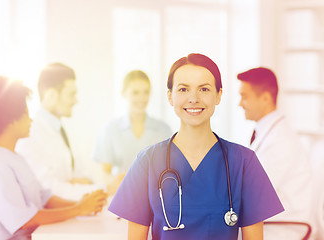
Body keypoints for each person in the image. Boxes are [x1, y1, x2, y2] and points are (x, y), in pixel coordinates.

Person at [109, 53, 284, 240]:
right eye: (183, 89)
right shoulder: (147, 162)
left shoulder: (244, 162)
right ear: (170, 97)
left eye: (204, 89)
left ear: (218, 95)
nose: (193, 98)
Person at [0, 76, 107, 240]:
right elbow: (23, 220)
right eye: (26, 114)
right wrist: (77, 210)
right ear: (12, 121)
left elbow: (44, 198)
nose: (31, 120)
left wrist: (82, 205)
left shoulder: (15, 158)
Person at [16, 63, 119, 200]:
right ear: (51, 95)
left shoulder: (61, 130)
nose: (76, 101)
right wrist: (106, 189)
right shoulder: (30, 135)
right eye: (71, 94)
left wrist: (81, 182)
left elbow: (82, 175)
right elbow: (47, 190)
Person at [237, 67, 314, 239]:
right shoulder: (268, 132)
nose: (240, 103)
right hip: (271, 222)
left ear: (265, 98)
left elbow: (252, 192)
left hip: (284, 228)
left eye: (244, 96)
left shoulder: (280, 141)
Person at [92, 70, 172, 175]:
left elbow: (170, 169)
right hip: (121, 190)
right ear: (123, 93)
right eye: (135, 92)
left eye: (146, 92)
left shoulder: (163, 130)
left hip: (154, 190)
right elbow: (104, 174)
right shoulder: (111, 129)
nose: (142, 98)